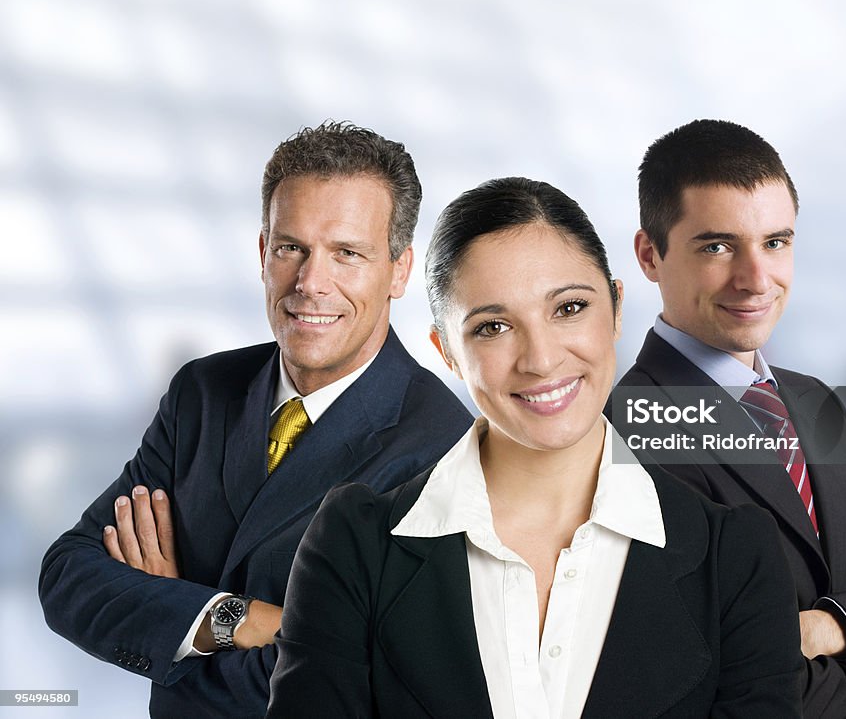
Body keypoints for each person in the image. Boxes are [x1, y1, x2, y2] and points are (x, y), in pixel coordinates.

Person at [267, 177, 803, 718]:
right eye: (493, 326)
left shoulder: (734, 556)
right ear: (447, 352)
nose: (541, 360)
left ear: (616, 309)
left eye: (569, 308)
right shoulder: (356, 549)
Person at [38, 122, 472, 718]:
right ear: (263, 252)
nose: (311, 283)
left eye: (347, 253)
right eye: (292, 247)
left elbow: (361, 686)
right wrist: (233, 617)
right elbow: (67, 576)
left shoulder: (441, 444)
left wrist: (169, 611)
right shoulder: (203, 393)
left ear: (398, 270)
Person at [615, 120, 846, 717]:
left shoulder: (812, 402)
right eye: (717, 246)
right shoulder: (629, 431)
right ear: (650, 255)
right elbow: (726, 680)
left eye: (775, 242)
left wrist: (827, 627)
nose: (757, 279)